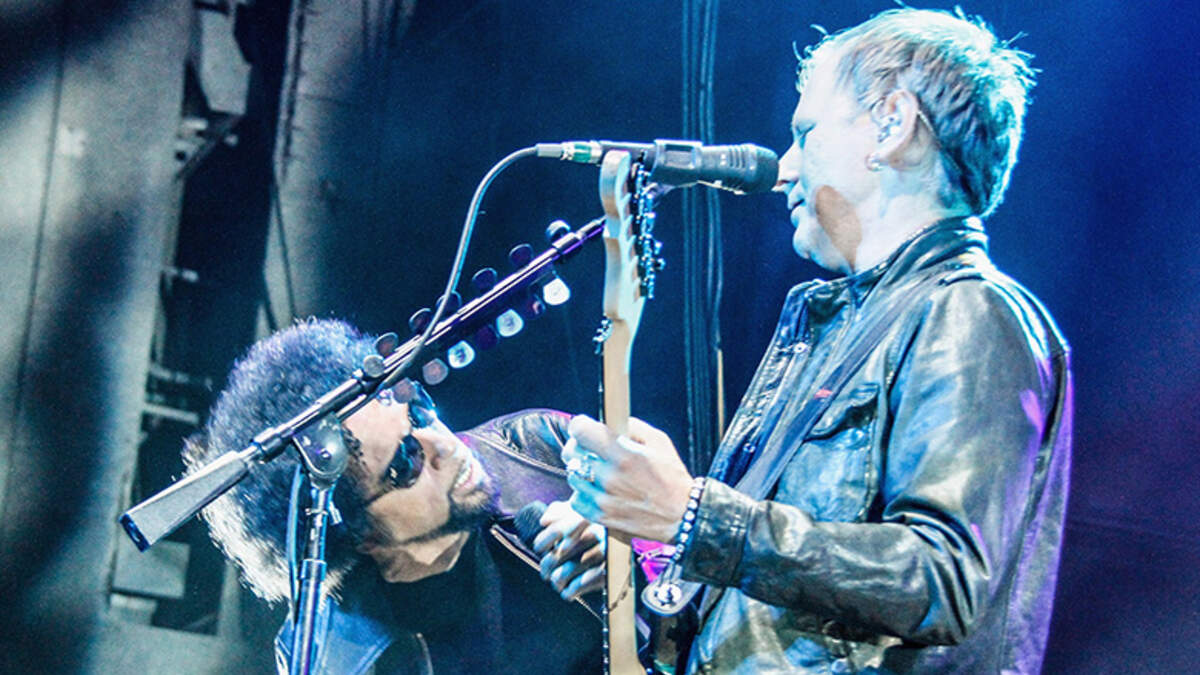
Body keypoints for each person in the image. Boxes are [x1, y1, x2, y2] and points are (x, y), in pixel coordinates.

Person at [557, 8, 1072, 674]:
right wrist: (655, 553)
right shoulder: (833, 328)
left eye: (805, 134)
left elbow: (941, 578)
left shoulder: (968, 310)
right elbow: (786, 598)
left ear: (892, 124)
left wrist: (691, 515)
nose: (783, 168)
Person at [182, 319, 606, 674]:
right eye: (405, 461)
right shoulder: (339, 662)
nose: (444, 444)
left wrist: (630, 553)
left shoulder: (539, 448)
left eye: (418, 412)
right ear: (362, 536)